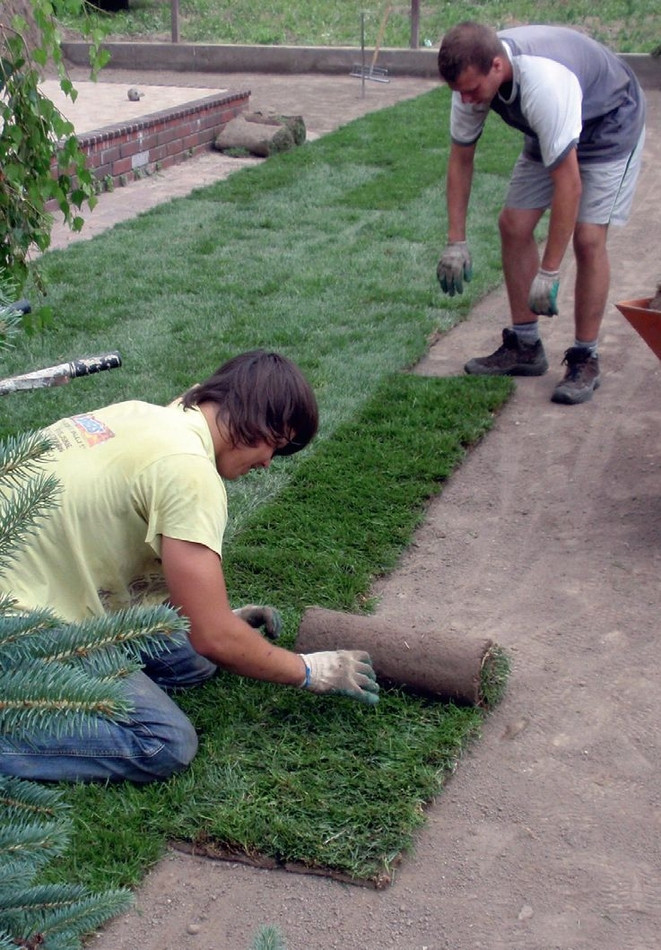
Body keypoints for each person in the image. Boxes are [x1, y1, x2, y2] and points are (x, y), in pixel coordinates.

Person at [0, 349, 379, 783]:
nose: (267, 463)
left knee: (191, 663)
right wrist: (311, 671)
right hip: (20, 625)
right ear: (250, 418)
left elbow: (205, 634)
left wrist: (221, 621)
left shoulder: (139, 414)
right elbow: (213, 637)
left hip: (36, 583)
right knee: (163, 741)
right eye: (273, 443)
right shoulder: (188, 472)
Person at [436, 21, 646, 404]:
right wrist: (456, 241)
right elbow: (460, 160)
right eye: (459, 92)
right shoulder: (471, 81)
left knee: (588, 238)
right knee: (513, 224)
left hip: (611, 121)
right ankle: (525, 346)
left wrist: (548, 272)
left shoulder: (544, 84)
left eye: (471, 90)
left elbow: (568, 182)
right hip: (549, 126)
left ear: (497, 66)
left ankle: (586, 356)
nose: (467, 100)